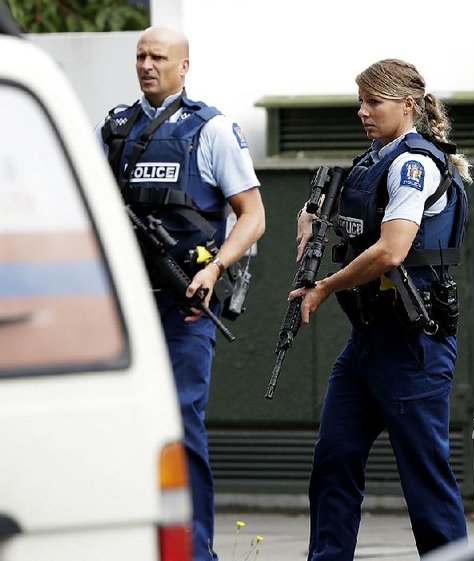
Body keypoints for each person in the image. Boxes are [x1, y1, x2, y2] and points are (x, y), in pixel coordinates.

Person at [94, 26, 265, 560]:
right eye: (140, 56)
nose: (147, 64)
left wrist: (216, 268)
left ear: (184, 66)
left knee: (181, 424)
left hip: (185, 305)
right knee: (120, 428)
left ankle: (196, 552)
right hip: (126, 306)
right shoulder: (116, 128)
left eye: (158, 57)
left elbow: (253, 216)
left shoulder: (211, 129)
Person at [291, 59, 471, 560]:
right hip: (367, 341)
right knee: (334, 460)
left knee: (425, 479)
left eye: (374, 102)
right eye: (361, 102)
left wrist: (324, 286)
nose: (362, 112)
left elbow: (392, 249)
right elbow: (348, 217)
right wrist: (308, 215)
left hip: (414, 344)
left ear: (407, 106)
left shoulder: (414, 164)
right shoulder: (373, 160)